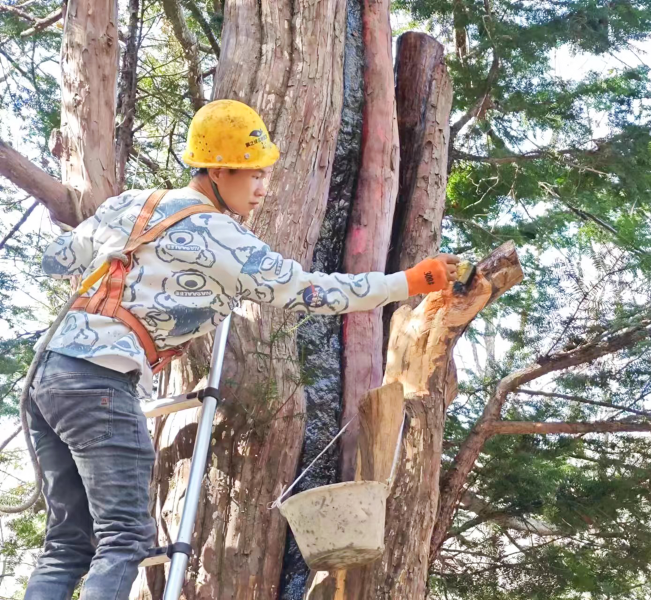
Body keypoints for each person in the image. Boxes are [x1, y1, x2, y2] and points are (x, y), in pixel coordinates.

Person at [24, 99, 459, 600]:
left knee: (67, 544)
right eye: (252, 174)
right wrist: (409, 281)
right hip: (100, 380)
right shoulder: (223, 237)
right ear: (216, 170)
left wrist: (114, 247)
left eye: (265, 174)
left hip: (47, 377)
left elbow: (54, 260)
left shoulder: (132, 203)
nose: (262, 188)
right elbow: (311, 292)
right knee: (124, 538)